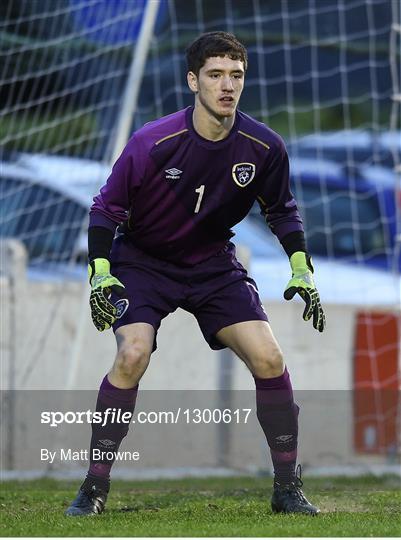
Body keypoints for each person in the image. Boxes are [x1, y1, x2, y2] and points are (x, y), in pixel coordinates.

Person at [66, 31, 325, 517]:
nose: (227, 85)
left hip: (211, 265)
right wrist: (101, 272)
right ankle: (94, 486)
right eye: (215, 75)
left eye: (236, 75)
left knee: (269, 358)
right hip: (143, 262)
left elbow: (283, 212)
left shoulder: (264, 146)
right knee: (132, 354)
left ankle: (287, 489)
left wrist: (301, 267)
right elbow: (105, 210)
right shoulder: (153, 141)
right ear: (193, 81)